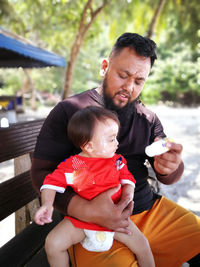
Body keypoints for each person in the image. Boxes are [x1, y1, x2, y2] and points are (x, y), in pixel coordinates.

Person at [31, 33, 200, 266]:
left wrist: (170, 167)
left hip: (149, 210)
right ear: (104, 67)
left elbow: (167, 166)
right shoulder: (70, 112)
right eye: (123, 75)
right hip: (91, 225)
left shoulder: (147, 119)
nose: (129, 87)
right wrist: (87, 210)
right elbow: (42, 173)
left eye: (139, 81)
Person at [34, 106, 155, 267]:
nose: (117, 143)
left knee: (143, 245)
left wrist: (128, 196)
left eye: (116, 137)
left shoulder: (116, 161)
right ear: (89, 146)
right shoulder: (75, 165)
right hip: (83, 221)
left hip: (115, 220)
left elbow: (128, 179)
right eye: (111, 139)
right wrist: (47, 204)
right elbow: (51, 183)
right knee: (53, 243)